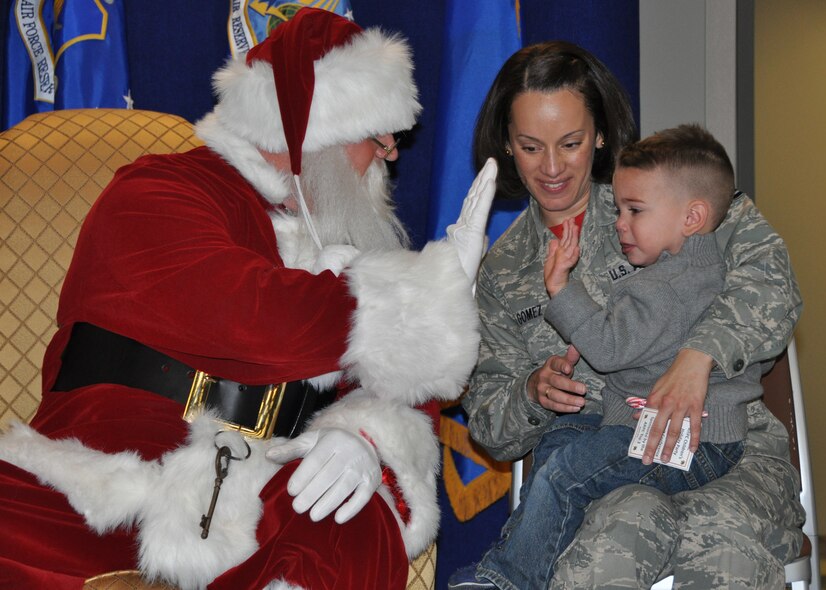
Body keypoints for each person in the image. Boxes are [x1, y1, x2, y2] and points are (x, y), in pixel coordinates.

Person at [0, 8, 497, 590]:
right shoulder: (156, 190)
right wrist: (423, 298)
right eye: (377, 131)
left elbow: (405, 395)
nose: (390, 151)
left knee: (345, 512)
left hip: (261, 495)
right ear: (315, 129)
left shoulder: (344, 254)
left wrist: (363, 438)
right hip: (101, 482)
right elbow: (251, 316)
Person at [456, 41, 806, 589]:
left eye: (571, 143)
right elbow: (490, 427)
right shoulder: (501, 274)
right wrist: (531, 393)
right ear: (506, 144)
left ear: (599, 135)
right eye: (530, 147)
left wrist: (700, 356)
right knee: (609, 545)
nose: (551, 168)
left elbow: (772, 282)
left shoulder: (667, 192)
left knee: (722, 549)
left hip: (725, 454)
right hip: (606, 478)